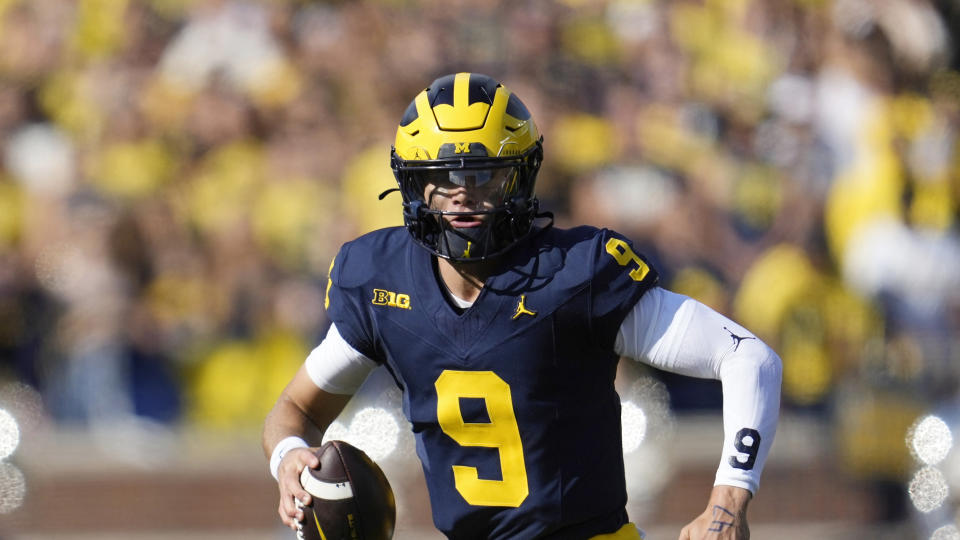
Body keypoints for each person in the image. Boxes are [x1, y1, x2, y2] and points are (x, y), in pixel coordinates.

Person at [263, 72, 781, 540]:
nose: (463, 195)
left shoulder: (575, 273)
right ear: (414, 183)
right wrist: (288, 459)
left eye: (484, 176)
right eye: (445, 178)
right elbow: (294, 412)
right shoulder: (381, 281)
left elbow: (748, 358)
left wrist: (728, 500)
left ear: (521, 177)